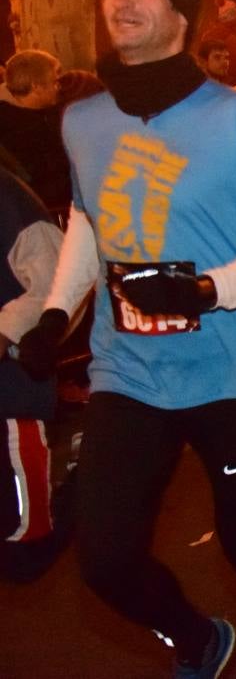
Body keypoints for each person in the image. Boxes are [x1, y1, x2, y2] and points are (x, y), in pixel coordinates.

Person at [15, 0, 236, 679]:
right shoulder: (83, 121)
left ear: (179, 11)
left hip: (229, 371)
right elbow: (91, 225)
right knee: (105, 555)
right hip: (131, 372)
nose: (122, 1)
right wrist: (58, 312)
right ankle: (197, 639)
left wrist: (205, 290)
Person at [1, 167, 72, 584]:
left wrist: (5, 331)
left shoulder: (6, 195)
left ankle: (93, 476)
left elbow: (57, 279)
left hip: (10, 396)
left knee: (26, 548)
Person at [0, 49, 70, 209]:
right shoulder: (21, 132)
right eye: (54, 81)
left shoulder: (47, 116)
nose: (58, 87)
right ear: (36, 87)